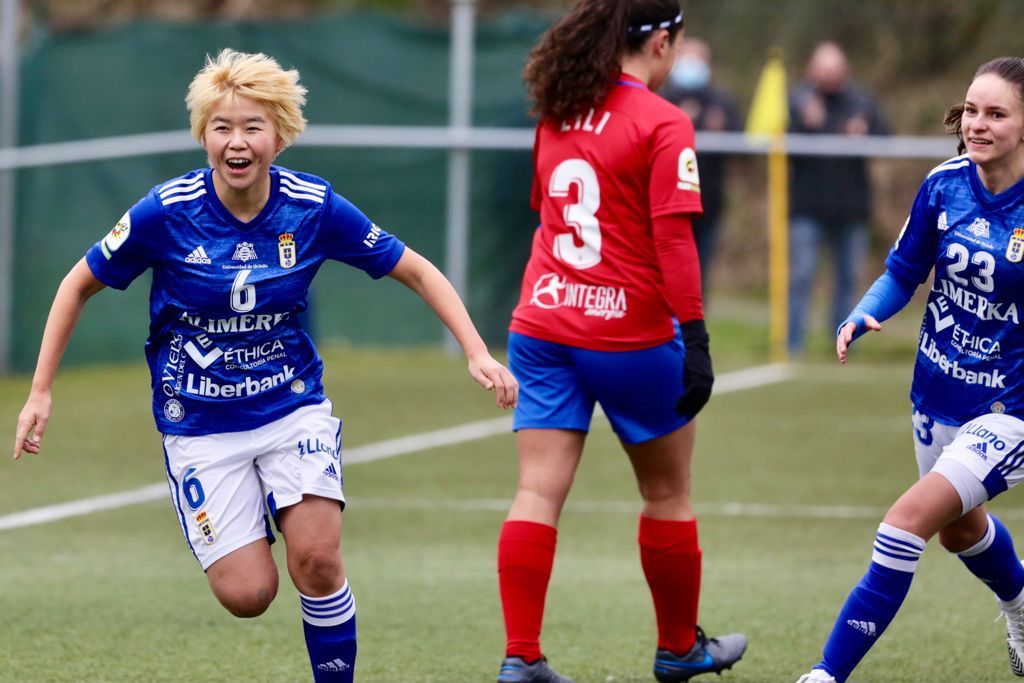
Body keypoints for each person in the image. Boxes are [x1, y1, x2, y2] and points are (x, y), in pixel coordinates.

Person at [12, 48, 518, 683]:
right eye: (221, 127)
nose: (237, 141)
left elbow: (414, 268)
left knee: (318, 559)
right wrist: (39, 392)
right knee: (247, 594)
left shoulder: (313, 207)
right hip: (197, 426)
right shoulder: (163, 213)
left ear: (280, 133)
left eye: (253, 126)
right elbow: (75, 285)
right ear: (204, 135)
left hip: (291, 408)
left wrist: (476, 350)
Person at [496, 3, 747, 682]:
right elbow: (672, 238)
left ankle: (521, 656)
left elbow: (548, 213)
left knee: (536, 492)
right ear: (662, 42)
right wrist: (695, 337)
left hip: (542, 323)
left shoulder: (557, 110)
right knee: (667, 492)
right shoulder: (664, 121)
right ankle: (677, 647)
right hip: (629, 333)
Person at [796, 56, 1024, 683]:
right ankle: (1021, 604)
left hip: (1009, 409)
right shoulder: (944, 184)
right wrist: (864, 313)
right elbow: (903, 271)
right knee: (958, 531)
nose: (977, 124)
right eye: (972, 110)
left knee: (903, 527)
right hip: (935, 390)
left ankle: (824, 675)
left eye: (997, 113)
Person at [787, 41, 889, 354]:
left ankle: (845, 343)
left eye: (834, 70)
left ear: (844, 71)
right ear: (811, 70)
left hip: (851, 209)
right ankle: (794, 344)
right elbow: (779, 150)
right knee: (801, 277)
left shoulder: (862, 103)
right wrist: (804, 126)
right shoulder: (797, 102)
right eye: (823, 69)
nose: (828, 76)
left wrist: (864, 133)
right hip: (807, 207)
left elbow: (886, 138)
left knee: (847, 282)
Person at [658, 36, 741, 297]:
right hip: (667, 203)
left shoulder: (722, 102)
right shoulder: (662, 98)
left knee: (699, 270)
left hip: (708, 203)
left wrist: (721, 131)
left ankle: (694, 324)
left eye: (699, 59)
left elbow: (741, 144)